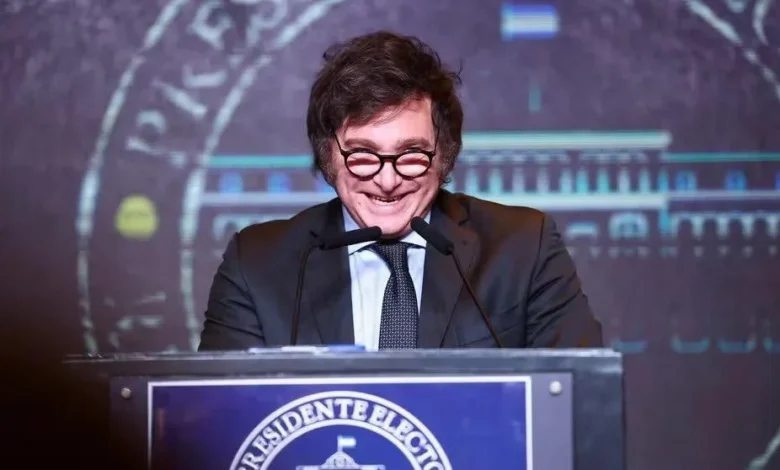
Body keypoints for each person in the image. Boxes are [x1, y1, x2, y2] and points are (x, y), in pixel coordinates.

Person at [198, 31, 602, 351]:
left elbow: (579, 400)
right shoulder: (256, 264)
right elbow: (217, 417)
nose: (388, 181)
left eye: (411, 155)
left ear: (444, 155)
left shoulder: (523, 248)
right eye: (362, 155)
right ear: (328, 157)